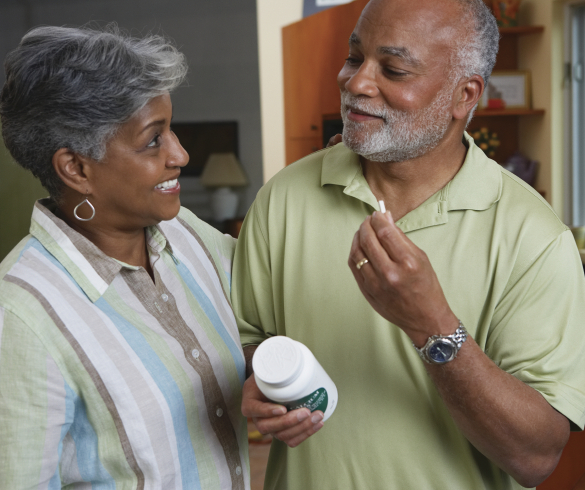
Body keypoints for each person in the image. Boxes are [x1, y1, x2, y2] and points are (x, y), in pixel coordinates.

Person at [232, 0, 585, 489]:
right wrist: (262, 381)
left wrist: (432, 324)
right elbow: (246, 340)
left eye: (394, 70)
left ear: (464, 95)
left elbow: (535, 457)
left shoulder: (535, 238)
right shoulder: (284, 198)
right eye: (355, 57)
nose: (356, 82)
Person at [0, 26, 250, 489]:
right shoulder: (20, 315)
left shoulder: (185, 232)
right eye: (153, 140)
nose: (180, 154)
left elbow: (264, 311)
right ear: (76, 168)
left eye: (171, 130)